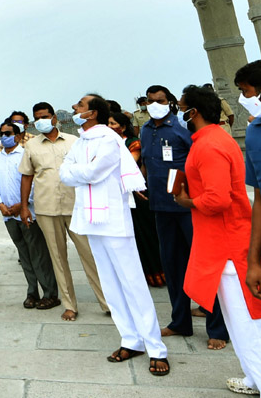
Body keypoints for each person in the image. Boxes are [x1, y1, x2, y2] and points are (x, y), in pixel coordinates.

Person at [60, 94, 169, 376]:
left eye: (80, 105)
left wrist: (79, 172)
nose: (74, 108)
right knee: (110, 284)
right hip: (90, 219)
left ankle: (156, 348)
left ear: (92, 113)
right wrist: (80, 172)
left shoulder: (108, 139)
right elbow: (65, 174)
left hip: (113, 218)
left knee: (132, 282)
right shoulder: (81, 141)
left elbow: (96, 172)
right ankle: (131, 339)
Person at [174, 83, 261, 396]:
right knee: (240, 324)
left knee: (250, 324)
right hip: (223, 245)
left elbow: (217, 199)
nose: (179, 114)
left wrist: (188, 201)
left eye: (181, 108)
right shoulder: (213, 139)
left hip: (228, 249)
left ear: (194, 112)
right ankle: (255, 378)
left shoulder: (208, 146)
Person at [139, 84, 227, 349]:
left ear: (171, 103)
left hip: (188, 209)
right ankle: (180, 321)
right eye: (150, 100)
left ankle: (217, 329)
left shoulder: (183, 129)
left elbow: (198, 163)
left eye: (161, 100)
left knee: (201, 266)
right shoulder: (144, 130)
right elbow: (145, 162)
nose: (155, 104)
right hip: (160, 208)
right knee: (172, 266)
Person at [19, 101, 109, 321]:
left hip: (75, 206)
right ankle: (70, 305)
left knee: (89, 255)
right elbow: (26, 176)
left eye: (45, 116)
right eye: (37, 118)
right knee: (58, 258)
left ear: (54, 118)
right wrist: (23, 207)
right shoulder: (31, 146)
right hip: (46, 208)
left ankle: (107, 302)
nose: (42, 121)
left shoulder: (74, 142)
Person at [0, 118, 58, 309]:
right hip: (8, 215)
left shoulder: (26, 155)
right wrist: (1, 204)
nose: (4, 137)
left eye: (8, 134)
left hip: (27, 212)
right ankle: (32, 292)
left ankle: (50, 293)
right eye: (1, 134)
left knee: (38, 254)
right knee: (24, 255)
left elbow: (34, 184)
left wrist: (22, 204)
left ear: (19, 136)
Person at [234, 61, 261, 395]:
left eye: (246, 92)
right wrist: (254, 259)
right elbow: (259, 199)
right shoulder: (257, 132)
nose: (245, 99)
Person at [107, 102, 163, 288]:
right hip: (118, 197)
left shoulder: (132, 143)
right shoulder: (107, 144)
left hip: (137, 195)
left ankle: (157, 273)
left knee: (146, 234)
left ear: (123, 127)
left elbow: (130, 166)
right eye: (108, 124)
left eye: (114, 124)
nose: (110, 127)